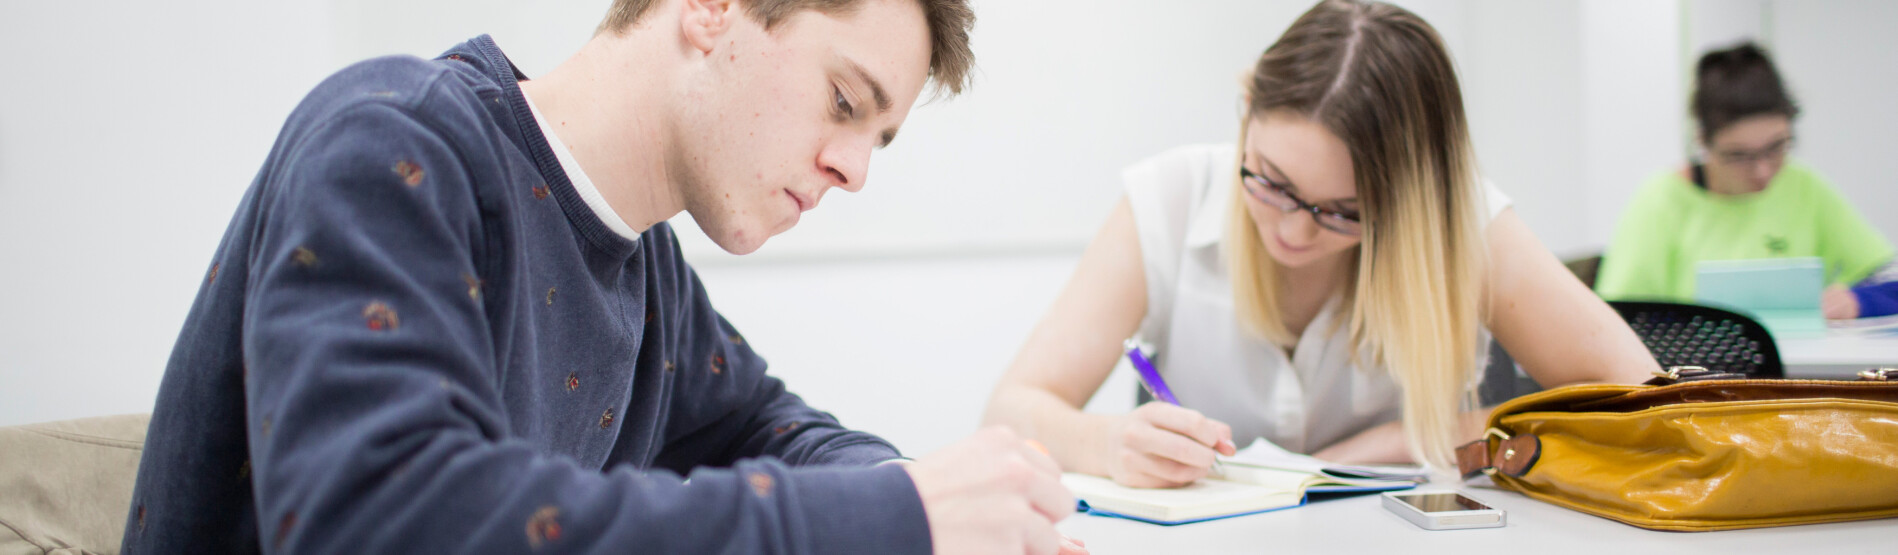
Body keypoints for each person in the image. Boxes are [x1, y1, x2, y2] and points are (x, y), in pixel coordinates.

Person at [121, 1, 1084, 554]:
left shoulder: (645, 263)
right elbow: (385, 517)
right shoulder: (394, 142)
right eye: (843, 100)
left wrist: (917, 488)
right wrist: (889, 517)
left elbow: (769, 430)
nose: (856, 169)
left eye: (878, 138)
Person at [980, 0, 1657, 489]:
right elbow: (1011, 408)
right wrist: (1107, 440)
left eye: (1345, 212)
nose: (1295, 230)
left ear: (1413, 204)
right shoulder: (1172, 196)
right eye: (1271, 182)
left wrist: (1413, 437)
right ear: (1246, 106)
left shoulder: (1460, 221)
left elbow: (1643, 403)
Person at [1594, 42, 1898, 319]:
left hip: (1798, 374)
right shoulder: (1660, 200)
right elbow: (1616, 319)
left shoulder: (1803, 185)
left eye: (1776, 147)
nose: (1762, 171)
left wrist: (1860, 300)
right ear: (1703, 142)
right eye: (1738, 156)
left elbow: (1889, 279)